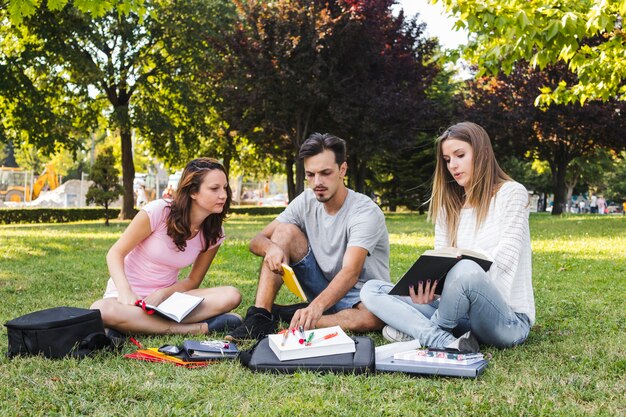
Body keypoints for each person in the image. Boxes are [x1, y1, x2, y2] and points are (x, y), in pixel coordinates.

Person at [361, 122, 535, 352]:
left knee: (465, 270)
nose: (452, 165)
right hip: (460, 318)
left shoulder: (512, 193)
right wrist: (432, 289)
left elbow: (505, 264)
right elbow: (441, 264)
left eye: (460, 155)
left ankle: (424, 331)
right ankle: (442, 340)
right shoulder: (449, 207)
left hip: (507, 320)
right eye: (447, 159)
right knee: (372, 290)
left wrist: (458, 278)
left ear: (482, 153)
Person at [226, 133, 390, 341]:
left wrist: (316, 308)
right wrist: (272, 248)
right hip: (320, 282)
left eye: (325, 173)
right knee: (284, 232)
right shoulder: (305, 200)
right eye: (310, 174)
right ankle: (261, 316)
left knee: (373, 319)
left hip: (360, 294)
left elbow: (351, 272)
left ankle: (298, 316)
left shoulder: (364, 212)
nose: (317, 182)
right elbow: (257, 240)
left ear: (343, 170)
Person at [91, 158, 242, 335]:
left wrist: (163, 294)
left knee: (231, 295)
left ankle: (135, 324)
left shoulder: (214, 232)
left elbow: (193, 281)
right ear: (193, 191)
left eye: (225, 188)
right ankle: (193, 329)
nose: (223, 195)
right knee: (101, 310)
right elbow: (115, 253)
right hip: (127, 299)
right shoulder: (159, 211)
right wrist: (125, 291)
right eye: (214, 189)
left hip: (168, 302)